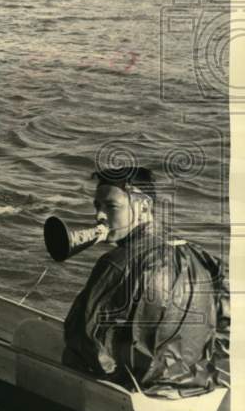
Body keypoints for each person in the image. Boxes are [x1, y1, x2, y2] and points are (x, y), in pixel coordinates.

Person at [63, 166, 230, 398]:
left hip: (141, 392)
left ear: (143, 208)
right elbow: (229, 327)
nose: (99, 215)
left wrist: (110, 374)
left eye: (111, 206)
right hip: (200, 387)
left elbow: (82, 336)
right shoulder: (201, 256)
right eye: (97, 206)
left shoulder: (117, 262)